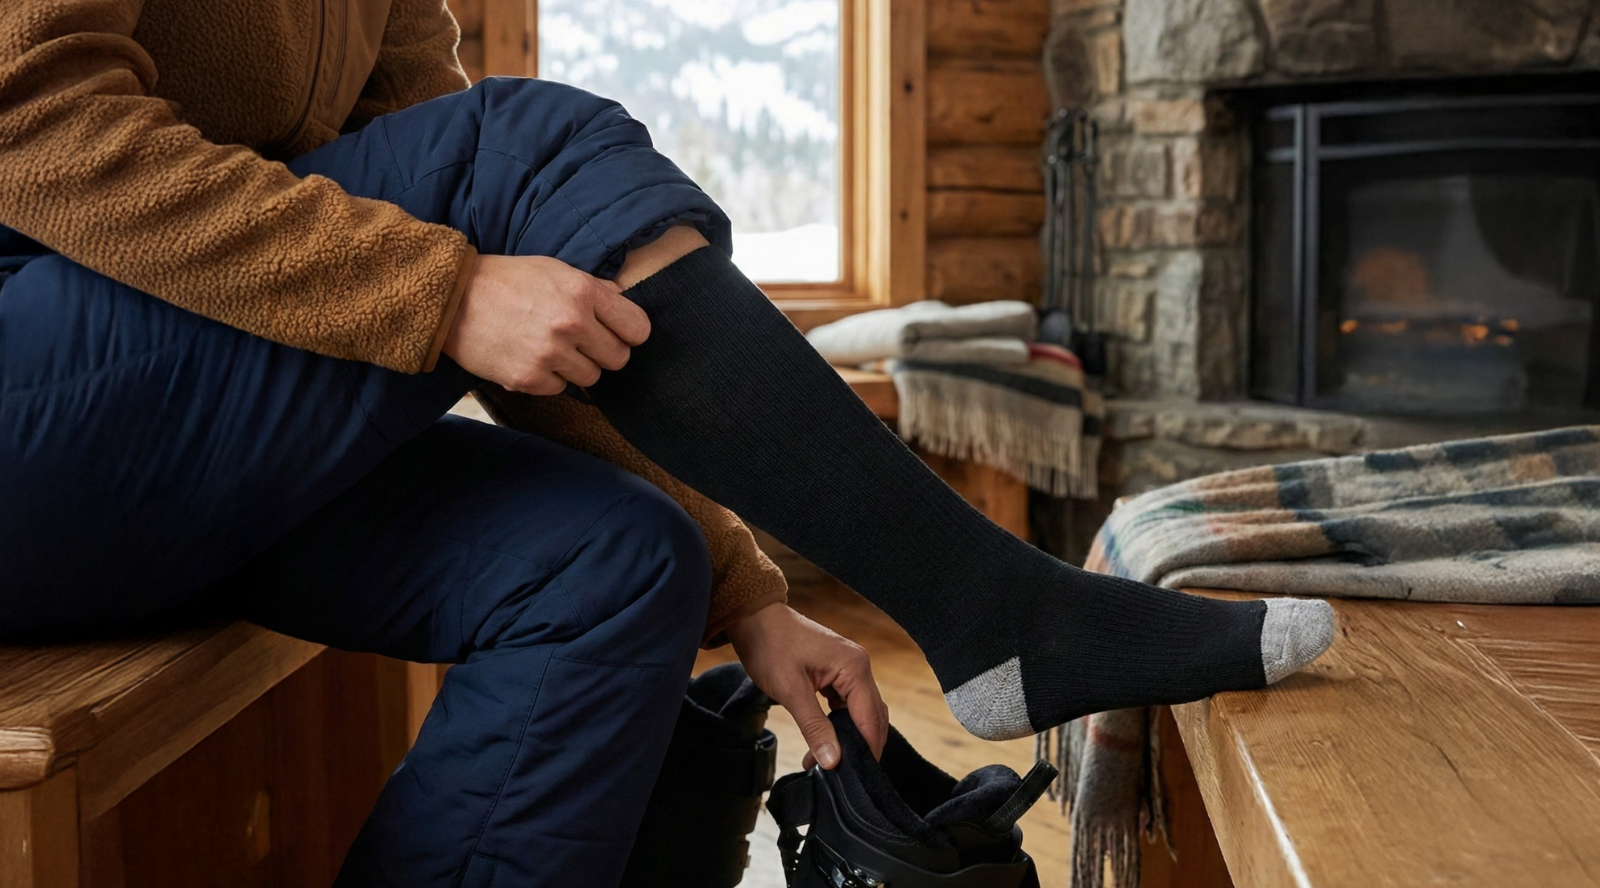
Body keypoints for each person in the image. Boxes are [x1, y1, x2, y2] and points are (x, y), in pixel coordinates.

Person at [0, 2, 1335, 886]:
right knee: (530, 143)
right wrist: (443, 292)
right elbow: (31, 118)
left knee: (619, 561)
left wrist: (742, 585)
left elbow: (514, 262)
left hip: (178, 442)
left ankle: (987, 617)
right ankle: (997, 612)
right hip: (31, 417)